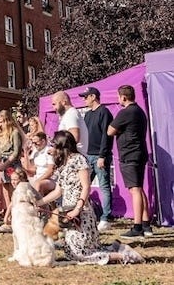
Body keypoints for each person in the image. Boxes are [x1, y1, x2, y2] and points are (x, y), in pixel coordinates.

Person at [36, 131, 143, 265]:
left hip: (82, 214)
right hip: (69, 215)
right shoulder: (62, 165)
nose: (51, 149)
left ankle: (124, 256)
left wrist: (77, 209)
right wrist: (38, 202)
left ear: (62, 146)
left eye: (54, 145)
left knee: (81, 255)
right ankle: (116, 248)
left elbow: (86, 187)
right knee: (71, 254)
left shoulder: (79, 160)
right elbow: (58, 191)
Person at [108, 84, 153, 239]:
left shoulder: (126, 112)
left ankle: (137, 226)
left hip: (130, 154)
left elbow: (110, 131)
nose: (118, 99)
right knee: (139, 189)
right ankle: (146, 225)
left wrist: (119, 130)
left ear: (123, 97)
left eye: (118, 96)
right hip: (140, 153)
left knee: (134, 190)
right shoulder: (140, 111)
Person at [79, 86, 114, 232]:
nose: (84, 99)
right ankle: (85, 213)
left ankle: (105, 218)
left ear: (93, 97)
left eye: (86, 97)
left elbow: (107, 136)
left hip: (100, 155)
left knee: (104, 185)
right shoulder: (87, 115)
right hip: (87, 155)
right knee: (83, 186)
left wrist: (102, 156)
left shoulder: (104, 112)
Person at [0, 109, 23, 233]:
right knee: (6, 192)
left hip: (12, 165)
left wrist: (4, 165)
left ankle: (16, 219)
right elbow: (0, 152)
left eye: (1, 122)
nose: (0, 125)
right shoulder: (2, 135)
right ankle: (9, 217)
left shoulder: (15, 132)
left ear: (7, 120)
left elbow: (16, 152)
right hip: (4, 165)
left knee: (15, 192)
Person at [22, 131, 55, 195]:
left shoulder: (49, 151)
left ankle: (38, 204)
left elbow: (50, 171)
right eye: (33, 143)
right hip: (37, 177)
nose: (34, 145)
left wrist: (38, 180)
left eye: (36, 143)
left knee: (38, 185)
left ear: (43, 141)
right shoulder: (36, 152)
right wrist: (26, 153)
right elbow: (31, 169)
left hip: (49, 179)